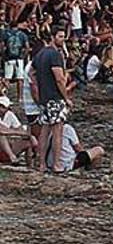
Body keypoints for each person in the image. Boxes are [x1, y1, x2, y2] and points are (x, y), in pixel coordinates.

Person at [33, 26, 73, 173]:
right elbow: (59, 79)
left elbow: (32, 73)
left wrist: (39, 89)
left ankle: (41, 164)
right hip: (55, 98)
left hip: (44, 98)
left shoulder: (40, 54)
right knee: (57, 131)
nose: (63, 40)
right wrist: (66, 97)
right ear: (53, 37)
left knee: (44, 130)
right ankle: (56, 164)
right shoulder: (54, 55)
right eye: (61, 37)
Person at [0, 95, 38, 165]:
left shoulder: (10, 115)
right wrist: (17, 133)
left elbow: (21, 129)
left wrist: (28, 136)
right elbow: (2, 130)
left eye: (3, 107)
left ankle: (31, 163)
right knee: (1, 136)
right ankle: (12, 157)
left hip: (9, 145)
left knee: (28, 141)